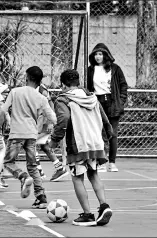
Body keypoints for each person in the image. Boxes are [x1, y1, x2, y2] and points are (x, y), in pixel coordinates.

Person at [50, 69, 113, 226]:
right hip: (94, 142)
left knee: (77, 178)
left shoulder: (63, 100)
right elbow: (103, 117)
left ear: (63, 85)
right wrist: (108, 132)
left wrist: (55, 139)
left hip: (77, 143)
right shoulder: (90, 97)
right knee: (93, 174)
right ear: (78, 83)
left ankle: (87, 214)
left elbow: (63, 119)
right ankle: (104, 205)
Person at [0, 66, 57, 209]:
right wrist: (50, 124)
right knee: (33, 166)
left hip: (17, 133)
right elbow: (53, 118)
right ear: (39, 81)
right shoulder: (41, 97)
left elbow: (3, 110)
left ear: (27, 77)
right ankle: (41, 198)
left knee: (8, 162)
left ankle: (22, 177)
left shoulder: (15, 92)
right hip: (32, 135)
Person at [87, 43, 128, 172]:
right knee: (99, 133)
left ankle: (112, 162)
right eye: (96, 54)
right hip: (97, 102)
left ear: (106, 55)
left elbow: (123, 85)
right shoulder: (90, 69)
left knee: (113, 133)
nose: (98, 57)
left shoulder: (115, 69)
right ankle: (102, 162)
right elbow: (88, 87)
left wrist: (121, 101)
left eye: (100, 54)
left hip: (112, 101)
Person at [34, 83, 69, 182]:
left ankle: (38, 170)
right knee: (44, 146)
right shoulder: (32, 89)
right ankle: (60, 168)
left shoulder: (41, 89)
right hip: (38, 122)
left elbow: (49, 105)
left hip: (43, 123)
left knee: (30, 143)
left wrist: (50, 122)